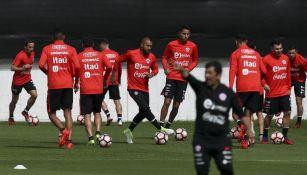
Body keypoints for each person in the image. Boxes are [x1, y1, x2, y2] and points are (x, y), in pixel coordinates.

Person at [174, 61, 252, 175]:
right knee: (202, 171)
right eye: (206, 73)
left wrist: (249, 130)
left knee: (227, 170)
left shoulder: (228, 93)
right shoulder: (201, 88)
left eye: (210, 73)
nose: (207, 75)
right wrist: (180, 69)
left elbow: (242, 114)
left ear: (218, 75)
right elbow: (187, 75)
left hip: (222, 141)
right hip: (201, 140)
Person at [113, 37, 174, 144]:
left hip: (145, 89)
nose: (149, 48)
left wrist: (151, 74)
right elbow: (117, 60)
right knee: (145, 108)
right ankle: (161, 129)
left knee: (143, 112)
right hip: (133, 88)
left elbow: (155, 69)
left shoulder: (152, 57)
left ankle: (128, 131)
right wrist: (115, 75)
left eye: (151, 46)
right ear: (142, 45)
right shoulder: (131, 53)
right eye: (147, 45)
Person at [38, 29, 80, 149]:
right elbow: (77, 66)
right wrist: (76, 81)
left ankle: (63, 130)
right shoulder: (71, 49)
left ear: (53, 38)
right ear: (64, 38)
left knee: (51, 113)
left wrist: (48, 72)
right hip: (67, 84)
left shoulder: (47, 49)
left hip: (54, 85)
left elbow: (41, 65)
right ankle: (69, 141)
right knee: (68, 113)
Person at [229, 35, 266, 144]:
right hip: (255, 89)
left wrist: (230, 88)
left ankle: (242, 126)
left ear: (236, 42)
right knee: (248, 113)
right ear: (246, 41)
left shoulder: (235, 53)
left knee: (235, 114)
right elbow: (264, 71)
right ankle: (251, 139)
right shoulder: (256, 54)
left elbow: (232, 72)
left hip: (242, 88)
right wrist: (257, 79)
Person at [74, 38, 112, 145]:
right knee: (97, 112)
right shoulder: (100, 55)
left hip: (85, 90)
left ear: (82, 45)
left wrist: (76, 83)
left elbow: (76, 70)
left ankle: (91, 138)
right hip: (98, 88)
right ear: (93, 45)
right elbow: (109, 66)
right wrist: (104, 79)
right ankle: (98, 134)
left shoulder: (79, 56)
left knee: (86, 115)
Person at [160, 24, 198, 128]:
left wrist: (188, 69)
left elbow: (195, 61)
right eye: (184, 33)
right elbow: (164, 57)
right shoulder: (171, 44)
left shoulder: (193, 46)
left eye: (188, 34)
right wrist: (165, 68)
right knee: (167, 101)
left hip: (183, 79)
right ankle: (160, 126)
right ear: (179, 33)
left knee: (176, 105)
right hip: (171, 77)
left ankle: (167, 127)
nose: (186, 36)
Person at [261, 40, 293, 145]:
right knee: (269, 115)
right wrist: (264, 84)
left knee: (287, 113)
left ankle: (285, 136)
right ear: (272, 49)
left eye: (280, 48)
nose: (279, 50)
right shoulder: (265, 59)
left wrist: (289, 88)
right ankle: (265, 135)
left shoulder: (286, 58)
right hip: (272, 93)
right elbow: (260, 75)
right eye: (276, 48)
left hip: (284, 92)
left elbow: (288, 74)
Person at [8, 39, 38, 125]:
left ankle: (25, 111)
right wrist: (22, 68)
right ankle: (11, 117)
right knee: (14, 100)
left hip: (27, 79)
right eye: (30, 47)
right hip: (17, 82)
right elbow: (12, 68)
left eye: (33, 47)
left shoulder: (33, 53)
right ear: (25, 47)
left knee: (34, 95)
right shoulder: (20, 55)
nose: (31, 49)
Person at [99, 38, 123, 126]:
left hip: (104, 81)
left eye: (100, 45)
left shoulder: (101, 54)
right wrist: (119, 80)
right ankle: (120, 119)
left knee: (99, 99)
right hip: (114, 81)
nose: (99, 47)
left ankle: (108, 115)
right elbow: (119, 68)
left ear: (104, 44)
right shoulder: (116, 54)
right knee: (117, 100)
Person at [287, 46, 307, 128]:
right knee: (283, 96)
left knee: (298, 101)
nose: (291, 55)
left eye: (293, 53)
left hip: (300, 81)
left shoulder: (301, 60)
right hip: (288, 80)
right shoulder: (285, 59)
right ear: (287, 53)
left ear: (296, 53)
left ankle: (298, 122)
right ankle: (280, 112)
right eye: (290, 53)